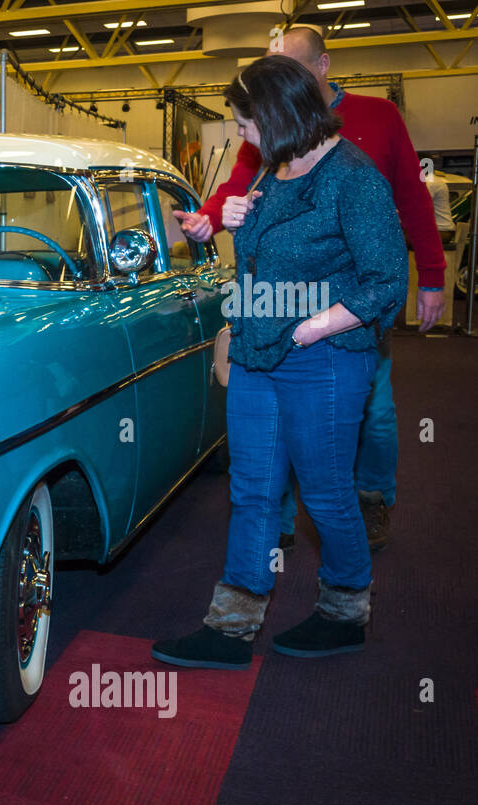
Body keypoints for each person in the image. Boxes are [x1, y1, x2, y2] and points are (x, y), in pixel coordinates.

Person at [152, 56, 406, 670]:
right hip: (258, 354)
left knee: (324, 493)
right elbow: (264, 256)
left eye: (245, 123)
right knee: (253, 491)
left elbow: (386, 281)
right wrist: (230, 220)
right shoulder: (275, 168)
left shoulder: (352, 176)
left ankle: (346, 610)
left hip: (321, 359)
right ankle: (232, 625)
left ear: (277, 114)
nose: (240, 133)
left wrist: (314, 326)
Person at [176, 25, 443, 552]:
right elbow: (242, 195)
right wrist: (219, 216)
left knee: (368, 426)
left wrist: (430, 277)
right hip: (273, 335)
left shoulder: (360, 151)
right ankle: (256, 571)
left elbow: (403, 221)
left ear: (318, 69)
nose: (243, 133)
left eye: (246, 123)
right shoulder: (274, 157)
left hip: (333, 334)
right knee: (259, 476)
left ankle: (370, 511)